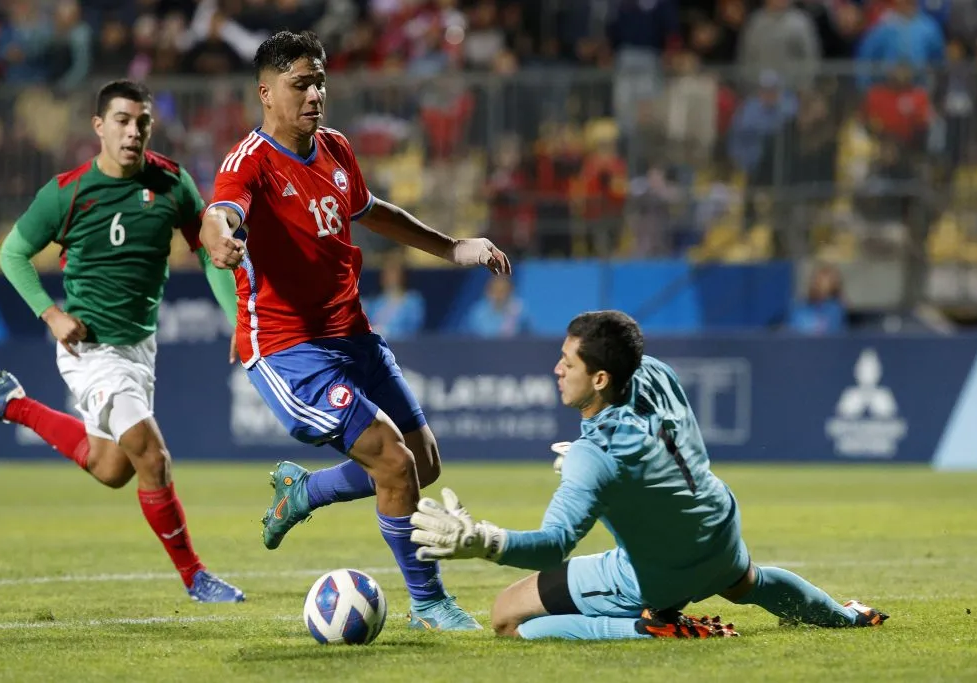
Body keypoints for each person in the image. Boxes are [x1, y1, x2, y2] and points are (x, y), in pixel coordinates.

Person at [198, 30, 510, 631]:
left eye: (319, 81)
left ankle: (307, 494)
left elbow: (371, 211)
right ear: (266, 92)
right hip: (290, 350)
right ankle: (430, 604)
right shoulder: (250, 163)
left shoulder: (337, 148)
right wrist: (220, 243)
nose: (315, 93)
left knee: (424, 462)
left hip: (354, 335)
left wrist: (452, 247)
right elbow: (221, 214)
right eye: (300, 84)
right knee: (394, 464)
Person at [409, 310, 888, 640]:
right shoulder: (654, 371)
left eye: (568, 362)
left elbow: (554, 544)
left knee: (507, 617)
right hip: (721, 535)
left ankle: (649, 625)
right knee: (749, 583)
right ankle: (848, 618)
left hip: (658, 577)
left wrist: (482, 541)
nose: (556, 368)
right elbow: (646, 458)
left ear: (600, 378)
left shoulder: (594, 456)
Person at [0, 79, 244, 603]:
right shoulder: (67, 192)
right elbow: (12, 253)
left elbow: (208, 249)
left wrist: (238, 319)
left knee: (112, 469)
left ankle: (13, 405)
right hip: (90, 348)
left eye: (142, 122)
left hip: (139, 349)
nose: (133, 132)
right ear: (99, 127)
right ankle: (196, 576)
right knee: (152, 456)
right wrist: (51, 314)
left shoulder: (172, 184)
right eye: (123, 121)